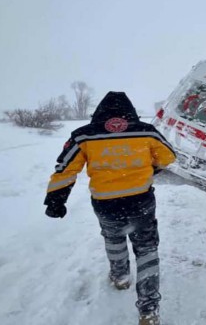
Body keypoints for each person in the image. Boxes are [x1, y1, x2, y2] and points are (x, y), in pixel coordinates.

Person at [44, 91, 176, 325]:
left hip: (106, 203)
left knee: (114, 239)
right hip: (140, 201)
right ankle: (148, 310)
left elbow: (66, 169)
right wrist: (151, 168)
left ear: (99, 112)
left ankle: (121, 277)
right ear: (131, 111)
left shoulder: (83, 135)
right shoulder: (146, 131)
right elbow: (168, 157)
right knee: (146, 250)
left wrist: (56, 199)